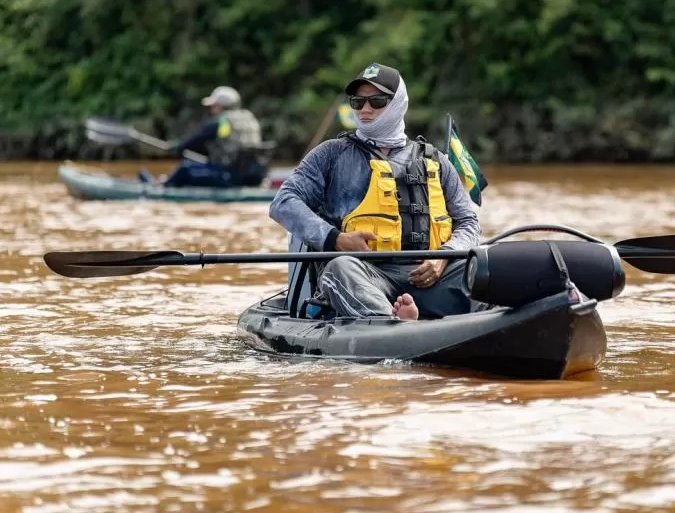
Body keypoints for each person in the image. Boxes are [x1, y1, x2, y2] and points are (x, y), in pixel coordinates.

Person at [268, 62, 482, 320]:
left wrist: (445, 257)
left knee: (482, 267)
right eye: (357, 102)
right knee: (339, 268)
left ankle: (477, 320)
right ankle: (393, 322)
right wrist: (336, 239)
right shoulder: (330, 154)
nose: (365, 109)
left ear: (398, 103)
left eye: (377, 101)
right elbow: (283, 203)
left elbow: (468, 222)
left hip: (432, 275)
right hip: (365, 275)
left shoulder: (436, 161)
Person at [139, 85, 270, 188]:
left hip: (229, 176)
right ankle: (164, 181)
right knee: (199, 165)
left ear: (221, 106)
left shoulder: (223, 122)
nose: (212, 110)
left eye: (214, 106)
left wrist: (178, 147)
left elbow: (197, 139)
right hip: (251, 176)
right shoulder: (248, 117)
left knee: (185, 168)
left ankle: (160, 187)